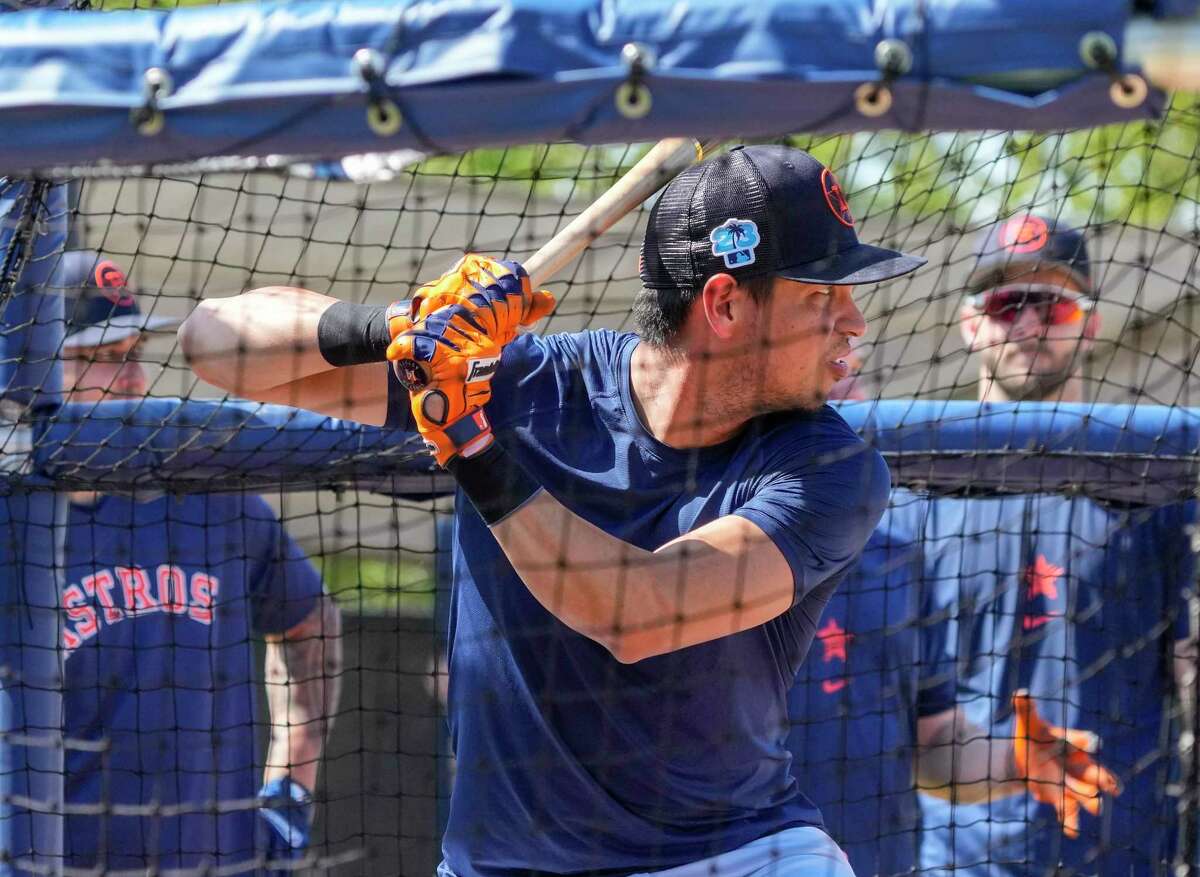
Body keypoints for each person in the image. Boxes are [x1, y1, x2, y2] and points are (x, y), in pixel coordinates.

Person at [178, 144, 926, 877]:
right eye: (821, 296)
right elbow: (213, 339)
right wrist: (407, 324)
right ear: (725, 304)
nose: (854, 321)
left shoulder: (830, 466)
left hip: (736, 852)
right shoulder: (527, 382)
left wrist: (472, 445)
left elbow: (639, 613)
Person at [911, 215, 1196, 875]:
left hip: (1128, 848)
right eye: (1007, 303)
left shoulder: (1157, 484)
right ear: (968, 322)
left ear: (1089, 324)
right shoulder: (908, 497)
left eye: (1055, 303)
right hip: (959, 858)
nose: (1031, 323)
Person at [53, 250, 343, 872]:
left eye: (131, 354)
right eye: (97, 358)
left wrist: (290, 787)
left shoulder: (211, 500)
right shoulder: (15, 523)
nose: (130, 377)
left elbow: (310, 622)